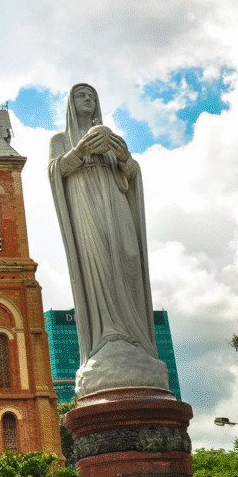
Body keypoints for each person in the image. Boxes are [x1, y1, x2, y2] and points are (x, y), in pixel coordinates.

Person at [48, 84, 164, 395]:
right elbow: (55, 172)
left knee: (127, 263)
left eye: (92, 96)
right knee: (98, 265)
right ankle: (108, 335)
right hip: (87, 208)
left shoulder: (115, 141)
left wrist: (125, 157)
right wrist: (80, 151)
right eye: (80, 96)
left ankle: (134, 337)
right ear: (71, 104)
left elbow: (130, 176)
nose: (88, 100)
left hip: (116, 206)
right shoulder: (61, 140)